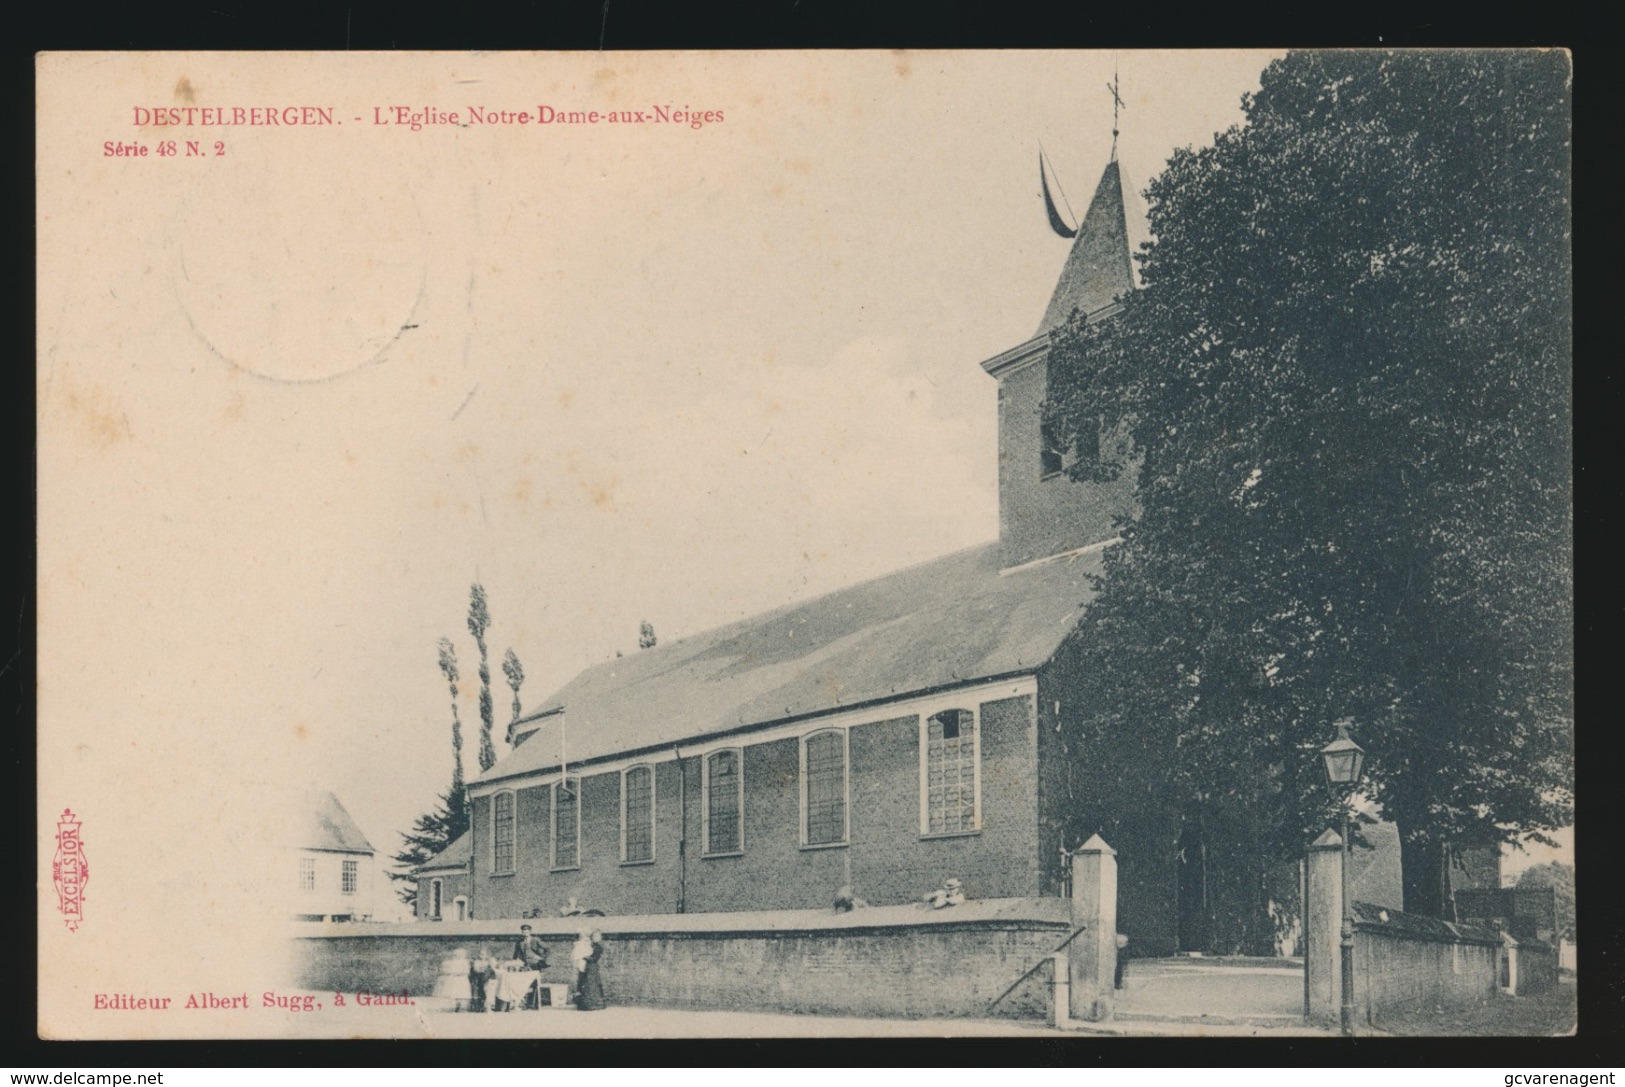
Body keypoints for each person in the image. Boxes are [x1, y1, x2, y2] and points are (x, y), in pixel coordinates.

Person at [573, 929, 607, 1011]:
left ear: (600, 937)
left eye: (597, 936)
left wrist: (583, 956)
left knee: (592, 985)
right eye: (594, 936)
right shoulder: (589, 945)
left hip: (592, 967)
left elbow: (594, 958)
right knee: (584, 984)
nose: (595, 938)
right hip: (586, 966)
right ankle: (584, 1004)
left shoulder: (599, 947)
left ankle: (593, 1004)